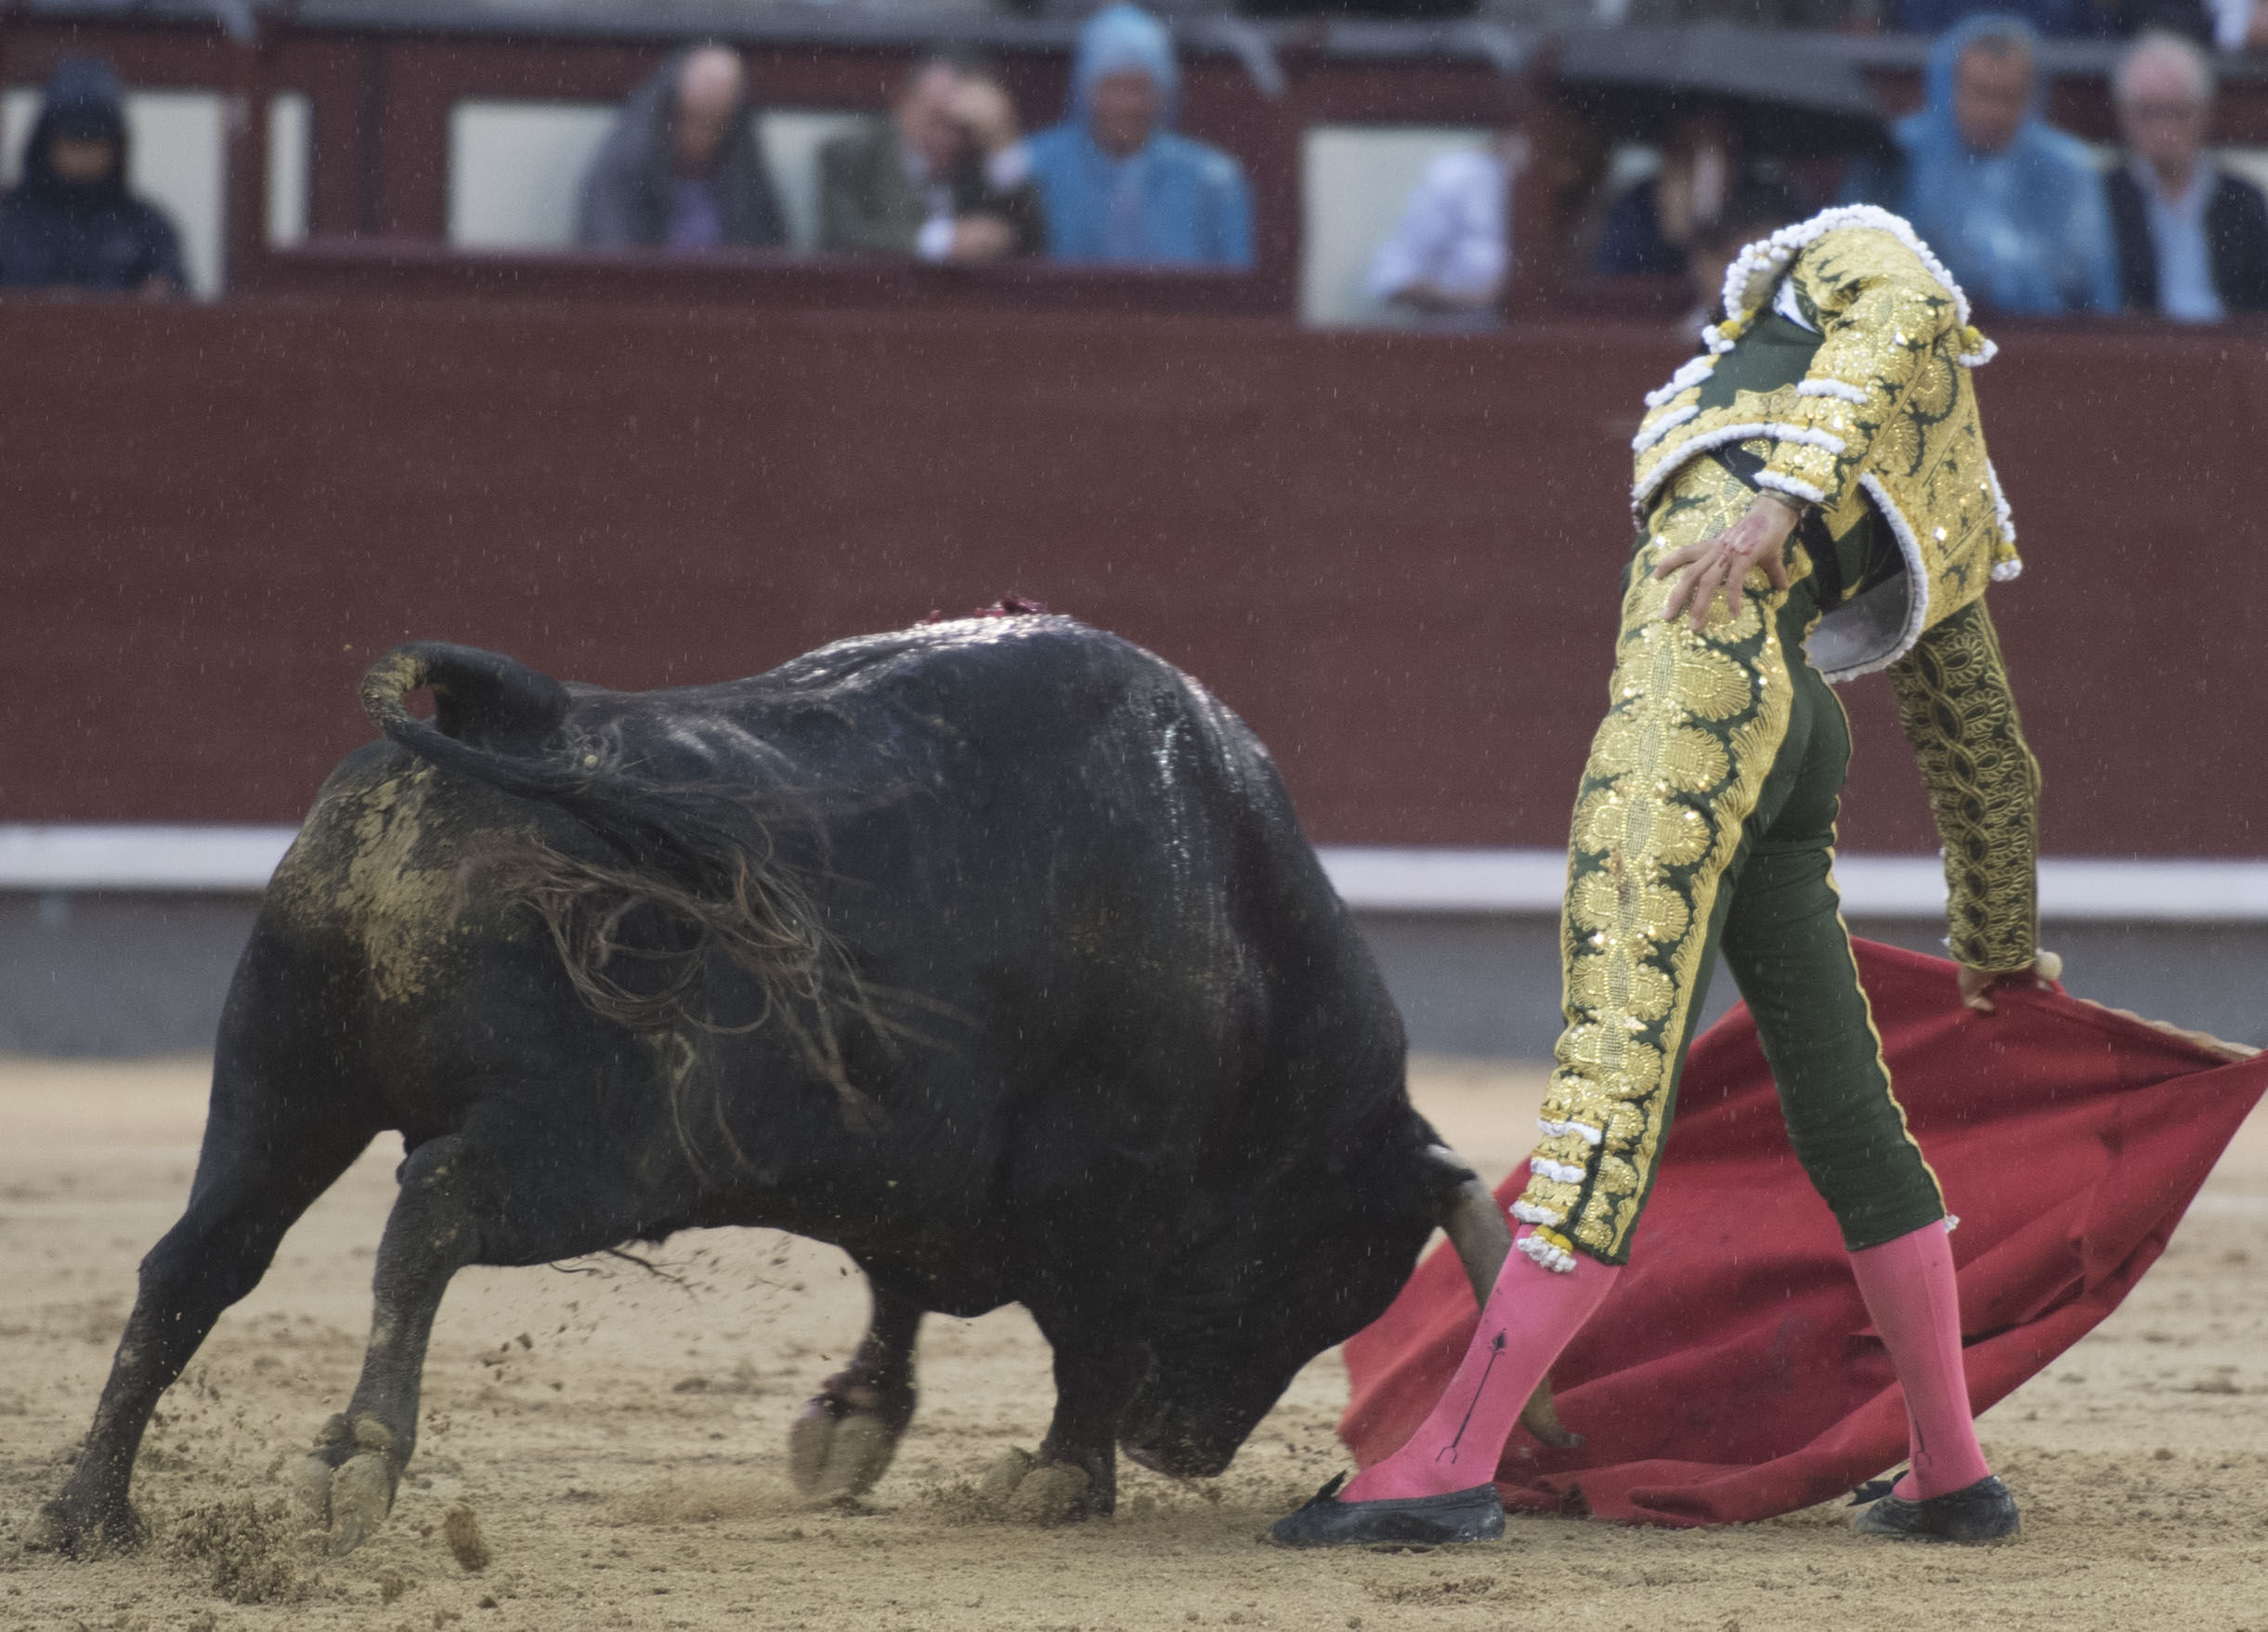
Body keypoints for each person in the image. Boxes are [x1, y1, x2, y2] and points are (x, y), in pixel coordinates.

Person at [1273, 202, 2046, 1549]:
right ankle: (1945, 1462)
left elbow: (1904, 308)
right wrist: (1995, 937)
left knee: (1612, 1050)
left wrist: (1771, 502)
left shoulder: (1859, 253)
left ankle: (1451, 1455)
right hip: (1798, 713)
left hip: (1701, 662)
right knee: (1844, 1104)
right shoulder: (1947, 483)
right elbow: (1982, 748)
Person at [1872, 15, 2120, 317]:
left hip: (2043, 343)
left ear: (2032, 96)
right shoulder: (1898, 154)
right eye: (1980, 93)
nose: (1993, 112)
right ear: (1947, 88)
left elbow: (2090, 281)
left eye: (2007, 97)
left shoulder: (2070, 169)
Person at [1023, 4, 1253, 270]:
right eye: (1113, 87)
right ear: (1086, 91)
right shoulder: (1035, 167)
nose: (1127, 105)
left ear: (1164, 93)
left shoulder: (1214, 181)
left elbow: (1241, 293)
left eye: (1139, 88)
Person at [817, 56, 1044, 263]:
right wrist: (941, 240)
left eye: (959, 127)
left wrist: (1001, 144)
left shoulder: (978, 159)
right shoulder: (854, 155)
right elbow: (841, 236)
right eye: (936, 120)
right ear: (903, 105)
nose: (947, 138)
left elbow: (1032, 242)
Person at [2105, 32, 2268, 319]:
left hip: (2229, 350)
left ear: (2204, 113)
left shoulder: (2243, 199)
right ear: (2124, 115)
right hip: (2141, 350)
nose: (2163, 129)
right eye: (2147, 112)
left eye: (2176, 112)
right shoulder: (2105, 196)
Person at [576, 43, 786, 254]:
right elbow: (613, 260)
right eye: (690, 119)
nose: (700, 136)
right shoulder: (626, 163)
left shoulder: (745, 171)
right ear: (669, 110)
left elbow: (770, 254)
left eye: (714, 126)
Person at [0, 59, 186, 295]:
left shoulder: (148, 230)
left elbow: (178, 314)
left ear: (117, 147)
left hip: (125, 335)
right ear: (45, 142)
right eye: (73, 137)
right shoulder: (8, 222)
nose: (85, 151)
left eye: (97, 138)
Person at [1362, 134, 1522, 323]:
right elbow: (1393, 280)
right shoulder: (1459, 178)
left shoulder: (1544, 187)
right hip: (1458, 342)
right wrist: (1482, 299)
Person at [1594, 112, 1740, 280]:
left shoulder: (1755, 214)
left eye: (1715, 153)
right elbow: (1613, 284)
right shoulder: (1635, 208)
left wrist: (1708, 236)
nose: (1704, 170)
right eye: (1687, 153)